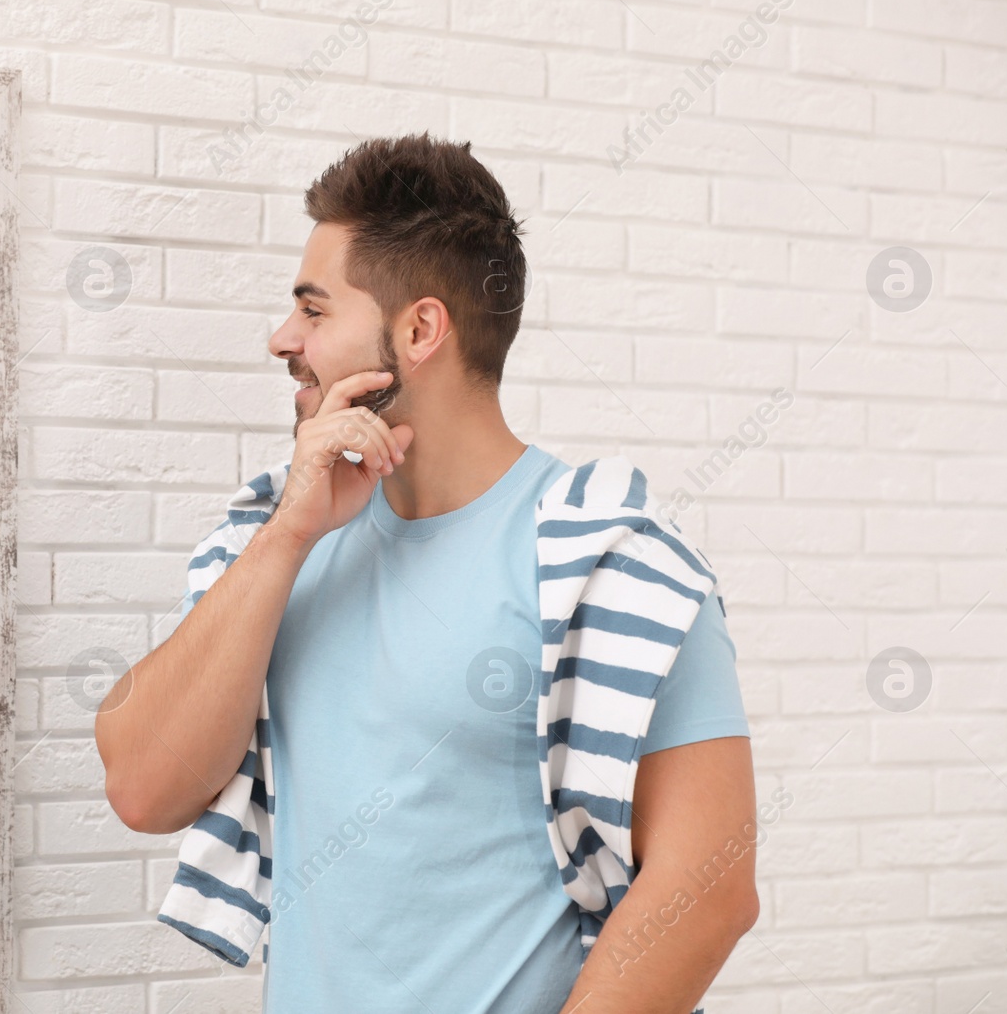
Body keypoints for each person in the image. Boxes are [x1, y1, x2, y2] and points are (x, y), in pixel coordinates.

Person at [96, 134, 758, 1013]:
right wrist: (291, 533)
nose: (282, 338)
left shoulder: (612, 562)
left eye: (314, 310)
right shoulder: (277, 538)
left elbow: (709, 889)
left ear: (418, 330)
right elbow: (144, 789)